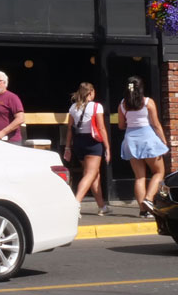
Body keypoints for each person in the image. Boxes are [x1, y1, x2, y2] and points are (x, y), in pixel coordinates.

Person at [119, 76, 169, 215]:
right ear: (141, 87)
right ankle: (149, 198)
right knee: (159, 172)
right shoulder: (147, 102)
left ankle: (143, 211)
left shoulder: (122, 104)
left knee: (139, 177)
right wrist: (163, 141)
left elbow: (121, 125)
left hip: (131, 140)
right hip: (148, 139)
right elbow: (156, 124)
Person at [62, 82, 109, 217]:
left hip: (78, 141)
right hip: (93, 142)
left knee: (94, 174)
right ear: (90, 93)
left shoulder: (73, 107)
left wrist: (67, 147)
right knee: (90, 174)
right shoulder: (96, 106)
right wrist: (107, 146)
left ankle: (102, 206)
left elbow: (70, 128)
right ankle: (76, 202)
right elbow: (101, 128)